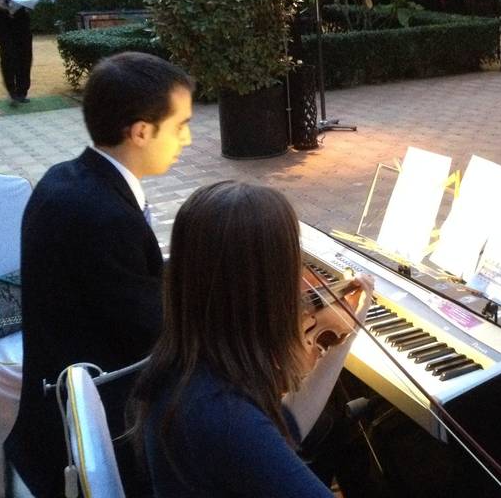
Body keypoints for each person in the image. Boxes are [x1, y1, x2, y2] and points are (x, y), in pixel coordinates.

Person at [4, 52, 194, 497]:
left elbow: (120, 284)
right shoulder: (103, 216)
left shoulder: (65, 178)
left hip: (53, 408)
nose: (187, 138)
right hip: (93, 438)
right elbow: (158, 338)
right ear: (142, 132)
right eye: (181, 124)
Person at [129, 181, 373, 497]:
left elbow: (285, 427)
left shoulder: (191, 369)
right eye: (291, 269)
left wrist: (347, 335)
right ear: (262, 293)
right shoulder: (220, 416)